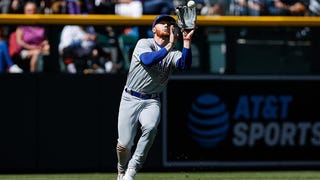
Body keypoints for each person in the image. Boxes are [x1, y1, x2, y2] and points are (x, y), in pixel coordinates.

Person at [116, 14, 195, 180]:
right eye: (163, 23)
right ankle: (121, 170)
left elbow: (184, 65)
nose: (167, 26)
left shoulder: (173, 53)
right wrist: (171, 44)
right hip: (130, 97)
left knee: (151, 128)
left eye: (170, 24)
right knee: (124, 145)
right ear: (154, 29)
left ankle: (132, 169)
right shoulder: (144, 43)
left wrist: (186, 42)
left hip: (151, 100)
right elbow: (147, 60)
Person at [15, 1, 50, 72]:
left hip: (40, 49)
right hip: (25, 51)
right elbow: (19, 42)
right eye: (29, 11)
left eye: (33, 10)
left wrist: (44, 44)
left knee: (46, 50)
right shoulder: (22, 26)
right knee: (37, 54)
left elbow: (46, 39)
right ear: (25, 12)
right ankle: (34, 78)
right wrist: (32, 47)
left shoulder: (41, 25)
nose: (31, 12)